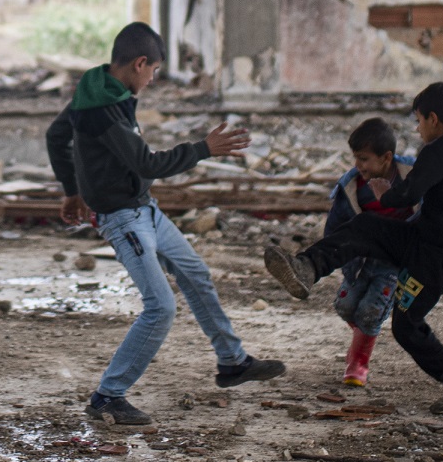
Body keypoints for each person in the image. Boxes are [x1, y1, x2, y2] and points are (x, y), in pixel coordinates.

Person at [48, 21, 287, 426]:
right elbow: (147, 163)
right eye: (154, 71)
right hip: (124, 219)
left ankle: (233, 362)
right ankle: (107, 397)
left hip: (146, 209)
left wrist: (73, 190)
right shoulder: (102, 109)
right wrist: (203, 148)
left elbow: (57, 137)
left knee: (196, 273)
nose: (153, 79)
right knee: (160, 307)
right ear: (139, 63)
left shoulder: (102, 88)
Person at [261, 82, 443, 415]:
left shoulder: (436, 151)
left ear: (433, 119)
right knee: (366, 226)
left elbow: (408, 194)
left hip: (435, 258)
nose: (418, 128)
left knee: (406, 326)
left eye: (419, 120)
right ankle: (306, 268)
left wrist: (386, 194)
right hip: (423, 242)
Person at [324, 117, 415, 387]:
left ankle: (358, 364)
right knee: (345, 306)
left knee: (370, 311)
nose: (358, 165)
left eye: (364, 159)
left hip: (394, 262)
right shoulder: (353, 186)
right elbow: (335, 225)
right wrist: (332, 252)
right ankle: (363, 336)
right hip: (360, 260)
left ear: (386, 157)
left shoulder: (411, 177)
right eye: (355, 158)